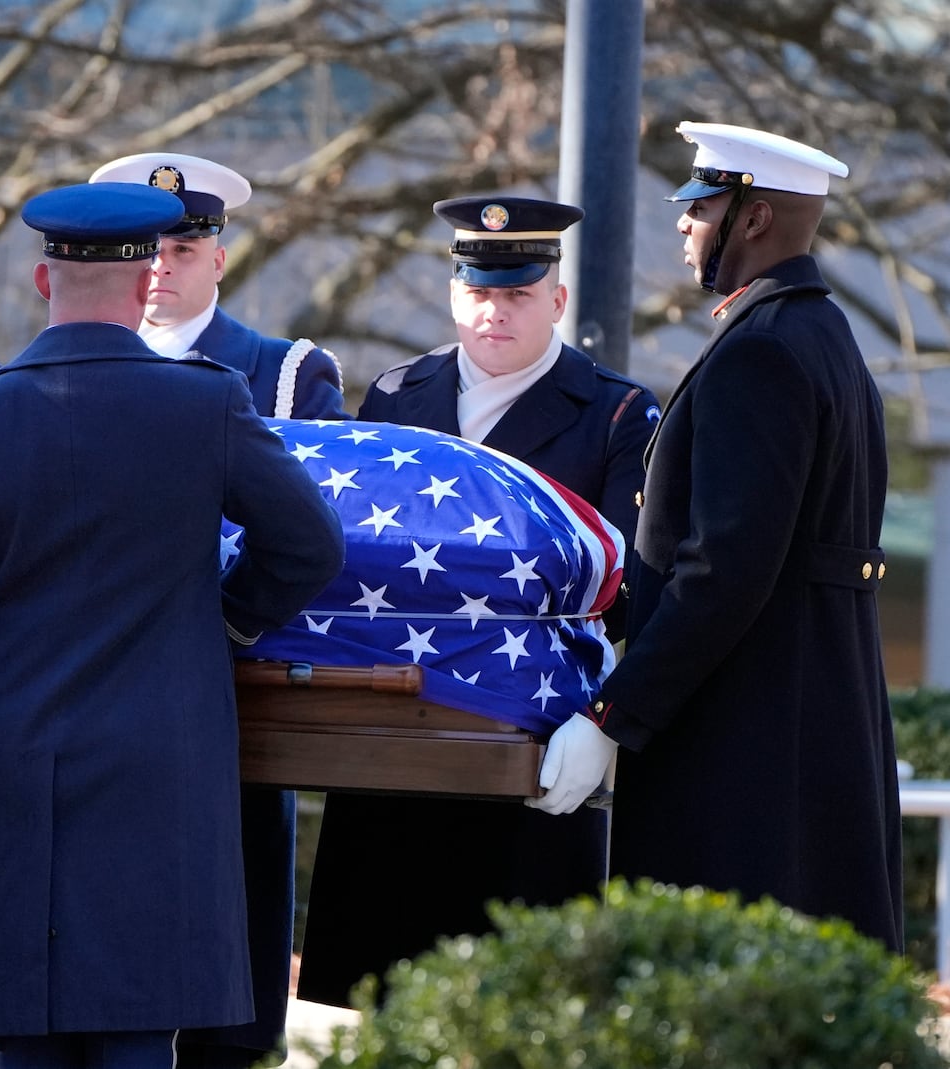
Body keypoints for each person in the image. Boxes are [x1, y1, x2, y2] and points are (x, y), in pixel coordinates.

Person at [0, 181, 345, 1069]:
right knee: (137, 1034)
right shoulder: (207, 403)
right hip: (165, 758)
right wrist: (224, 627)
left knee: (25, 1031)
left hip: (19, 750)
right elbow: (309, 545)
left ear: (43, 282)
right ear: (142, 286)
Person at [529, 122, 903, 951]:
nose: (683, 224)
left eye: (701, 205)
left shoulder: (761, 353)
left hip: (748, 745)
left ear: (755, 218)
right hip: (805, 722)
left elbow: (721, 567)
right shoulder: (825, 338)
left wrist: (612, 713)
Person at [296, 196, 660, 1008]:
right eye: (479, 291)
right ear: (454, 293)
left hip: (527, 754)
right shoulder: (397, 396)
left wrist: (604, 719)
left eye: (519, 293)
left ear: (557, 301)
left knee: (524, 1016)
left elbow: (632, 585)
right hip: (393, 748)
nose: (495, 311)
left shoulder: (616, 414)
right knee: (384, 1007)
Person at [87, 151, 345, 1067]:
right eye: (144, 243)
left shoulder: (283, 375)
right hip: (94, 707)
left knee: (221, 1006)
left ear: (220, 254)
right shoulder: (60, 369)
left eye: (185, 243)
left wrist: (221, 624)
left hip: (231, 701)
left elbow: (307, 539)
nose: (163, 261)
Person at [89, 152, 347, 421]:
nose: (160, 265)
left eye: (182, 249)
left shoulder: (289, 373)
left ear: (218, 264)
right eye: (148, 250)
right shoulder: (83, 364)